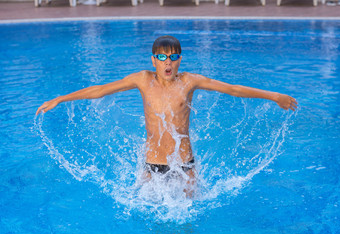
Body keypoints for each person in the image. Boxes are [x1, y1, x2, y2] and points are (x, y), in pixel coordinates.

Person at [36, 35, 297, 197]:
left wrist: (274, 96)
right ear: (153, 60)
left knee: (187, 220)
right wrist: (60, 99)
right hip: (152, 163)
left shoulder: (190, 81)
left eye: (173, 57)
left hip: (184, 164)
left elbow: (233, 89)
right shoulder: (142, 79)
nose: (168, 63)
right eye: (162, 57)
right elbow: (100, 90)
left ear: (180, 59)